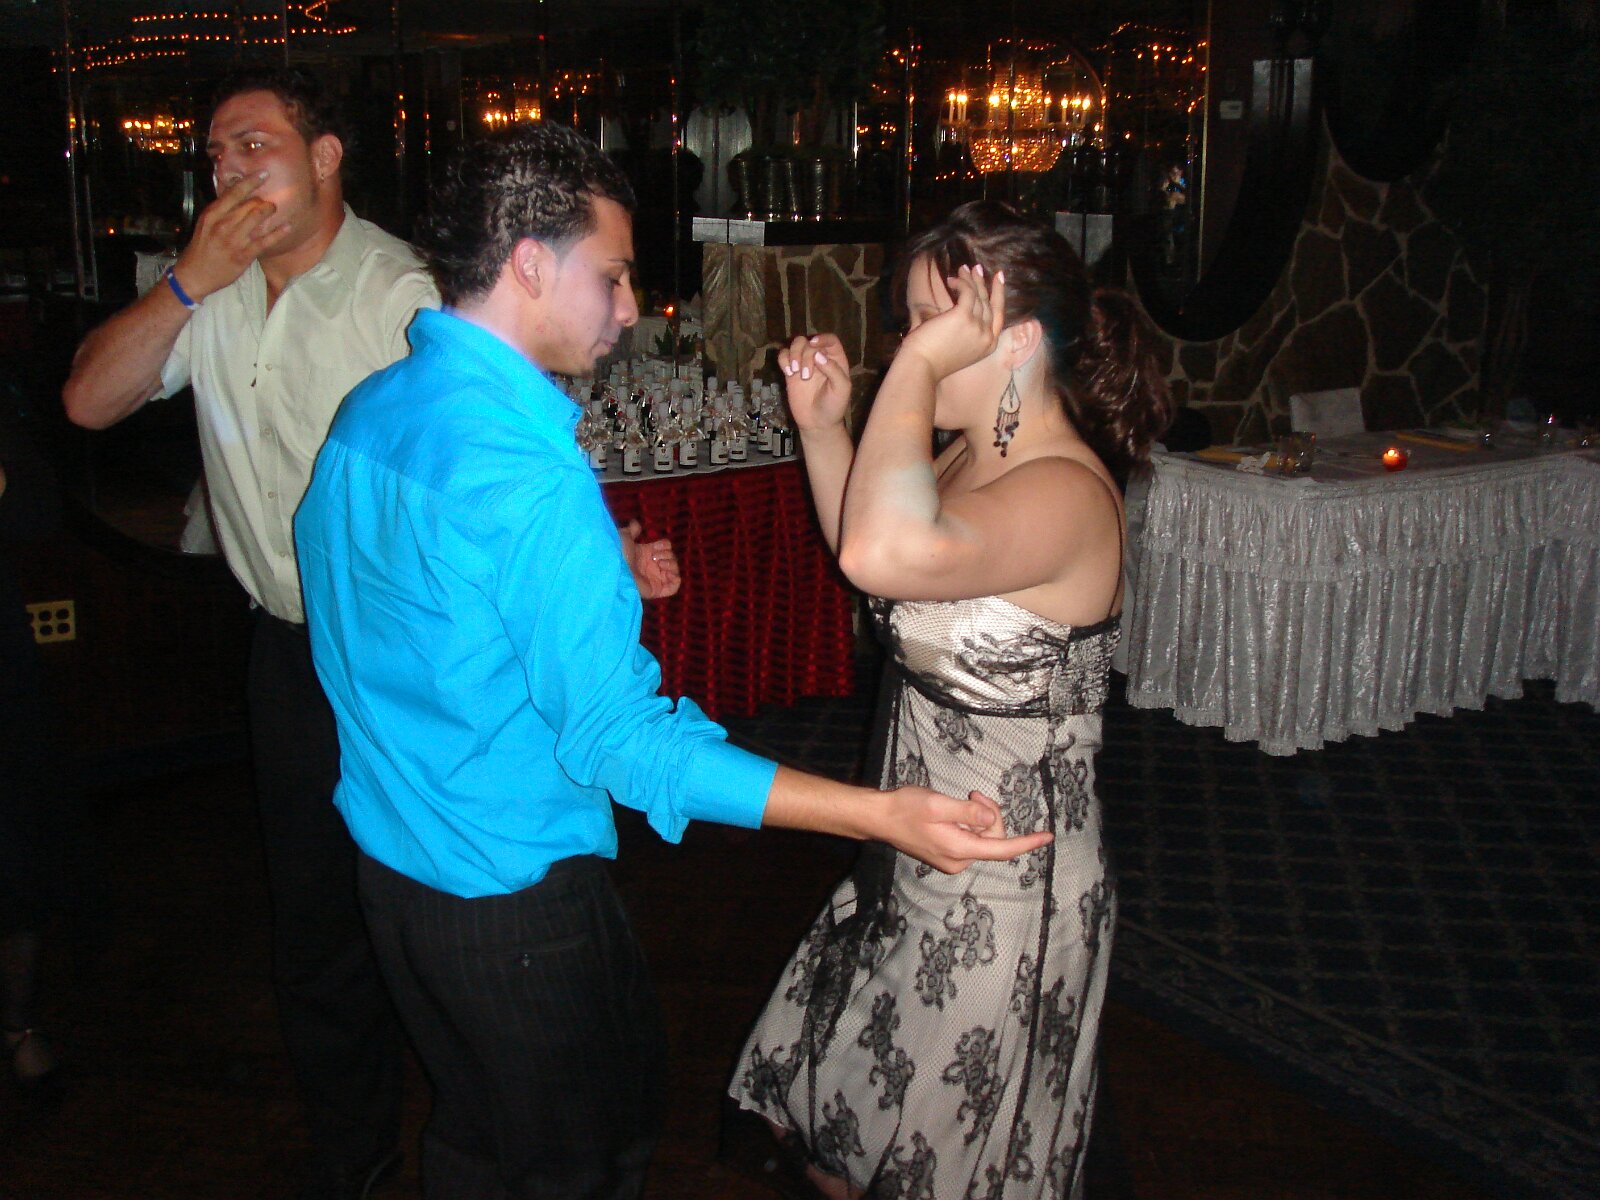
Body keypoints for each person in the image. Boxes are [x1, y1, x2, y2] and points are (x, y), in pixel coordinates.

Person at [290, 123, 1051, 1200]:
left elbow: (384, 608)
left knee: (474, 1145)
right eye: (612, 275)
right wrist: (876, 814)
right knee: (587, 1162)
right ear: (529, 266)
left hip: (392, 877)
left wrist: (584, 578)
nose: (630, 306)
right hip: (511, 899)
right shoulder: (524, 471)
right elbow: (622, 743)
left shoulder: (373, 408)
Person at [728, 200, 1174, 1200]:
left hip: (1007, 884)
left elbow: (878, 549)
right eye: (910, 324)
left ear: (1014, 340)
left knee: (944, 1162)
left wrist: (916, 371)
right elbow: (882, 564)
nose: (907, 344)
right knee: (844, 1125)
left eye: (932, 323)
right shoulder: (970, 457)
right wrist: (825, 430)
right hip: (916, 841)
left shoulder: (1064, 493)